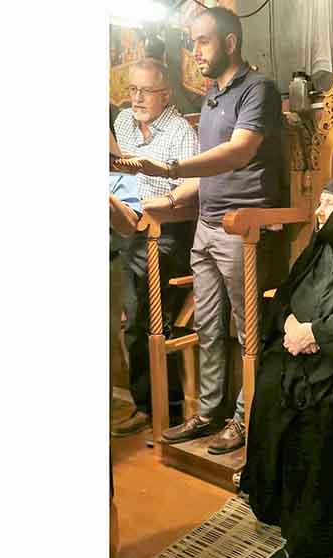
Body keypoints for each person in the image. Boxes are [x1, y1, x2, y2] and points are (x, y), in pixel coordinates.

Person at [117, 7, 283, 455]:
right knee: (208, 326)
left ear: (230, 43)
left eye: (203, 42)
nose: (195, 52)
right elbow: (207, 172)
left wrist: (170, 167)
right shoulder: (211, 97)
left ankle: (247, 419)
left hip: (242, 227)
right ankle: (208, 413)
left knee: (249, 332)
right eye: (191, 43)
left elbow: (239, 152)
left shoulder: (258, 89)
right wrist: (173, 198)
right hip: (207, 226)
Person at [239, 178, 333, 558]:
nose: (318, 211)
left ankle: (309, 538)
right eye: (319, 202)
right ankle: (275, 501)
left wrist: (316, 334)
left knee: (321, 415)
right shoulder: (315, 251)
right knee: (269, 387)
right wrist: (291, 326)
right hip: (295, 351)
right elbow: (284, 297)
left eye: (329, 204)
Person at [110, 60, 199, 438]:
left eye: (146, 91)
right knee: (131, 322)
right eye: (132, 90)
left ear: (166, 94)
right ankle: (148, 406)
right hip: (127, 227)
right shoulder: (123, 123)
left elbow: (196, 182)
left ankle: (167, 409)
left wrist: (167, 202)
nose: (137, 98)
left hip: (167, 232)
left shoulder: (180, 131)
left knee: (149, 319)